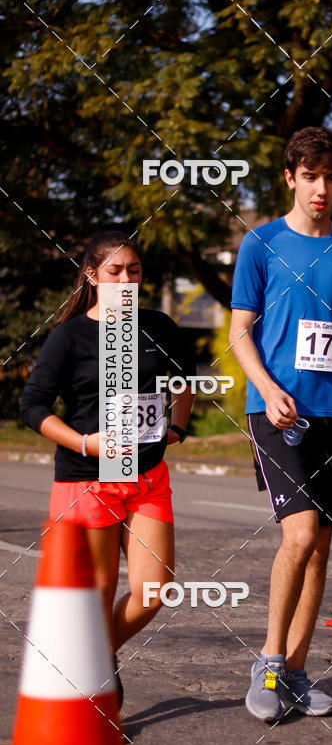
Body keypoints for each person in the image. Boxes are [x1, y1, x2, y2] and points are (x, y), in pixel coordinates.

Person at [230, 126, 332, 722]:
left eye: (331, 177)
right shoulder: (261, 244)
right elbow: (239, 332)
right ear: (290, 178)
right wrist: (269, 387)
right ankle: (269, 665)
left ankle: (297, 673)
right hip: (279, 411)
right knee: (298, 536)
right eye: (310, 177)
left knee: (322, 550)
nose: (321, 188)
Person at [20, 231, 195, 706]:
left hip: (147, 478)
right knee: (98, 595)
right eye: (114, 271)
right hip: (86, 480)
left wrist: (177, 430)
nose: (125, 279)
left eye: (133, 271)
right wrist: (83, 441)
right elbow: (33, 405)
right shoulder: (70, 335)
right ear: (93, 276)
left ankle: (88, 663)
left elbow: (183, 384)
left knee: (155, 591)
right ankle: (95, 693)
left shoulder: (159, 327)